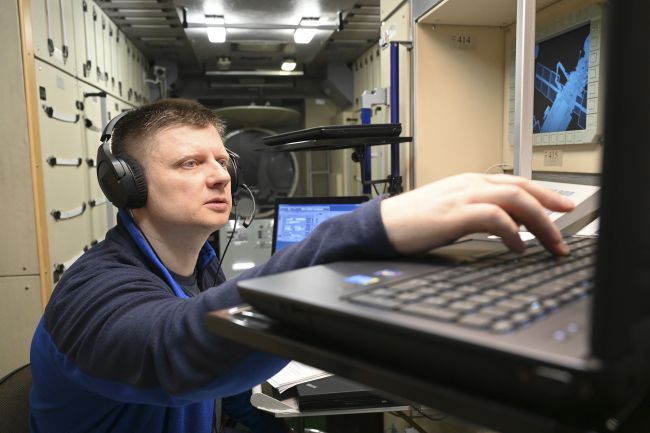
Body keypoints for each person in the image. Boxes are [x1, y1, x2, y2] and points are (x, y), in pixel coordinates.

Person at [29, 99, 574, 433]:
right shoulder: (90, 291)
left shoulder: (200, 267)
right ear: (127, 185)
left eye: (221, 160)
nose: (219, 176)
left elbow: (228, 389)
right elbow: (173, 352)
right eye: (189, 163)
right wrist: (365, 229)